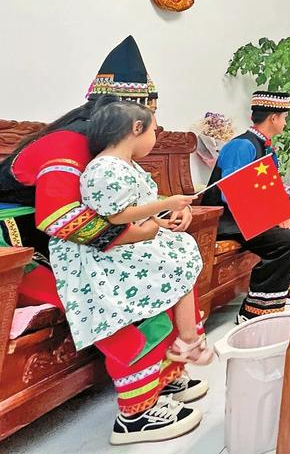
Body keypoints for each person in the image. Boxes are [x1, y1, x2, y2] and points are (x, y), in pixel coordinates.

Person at [0, 36, 206, 444]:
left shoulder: (105, 146)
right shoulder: (69, 144)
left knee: (169, 270)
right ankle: (136, 412)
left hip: (61, 239)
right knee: (122, 296)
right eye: (152, 117)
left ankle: (162, 378)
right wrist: (135, 234)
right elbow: (58, 217)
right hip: (17, 248)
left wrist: (166, 214)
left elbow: (121, 202)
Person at [50, 101, 212, 366]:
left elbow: (136, 208)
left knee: (183, 250)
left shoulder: (126, 165)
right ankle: (187, 339)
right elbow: (116, 216)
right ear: (137, 128)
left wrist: (161, 222)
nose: (155, 138)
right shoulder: (106, 168)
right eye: (153, 131)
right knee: (178, 262)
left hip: (133, 236)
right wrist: (166, 206)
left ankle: (187, 337)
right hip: (108, 251)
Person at [202, 91, 290, 324]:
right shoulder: (241, 146)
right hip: (231, 220)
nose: (286, 122)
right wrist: (273, 216)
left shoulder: (264, 146)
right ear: (274, 118)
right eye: (285, 117)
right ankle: (254, 311)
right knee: (286, 240)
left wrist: (289, 191)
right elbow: (234, 193)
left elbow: (266, 183)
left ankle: (288, 291)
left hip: (252, 216)